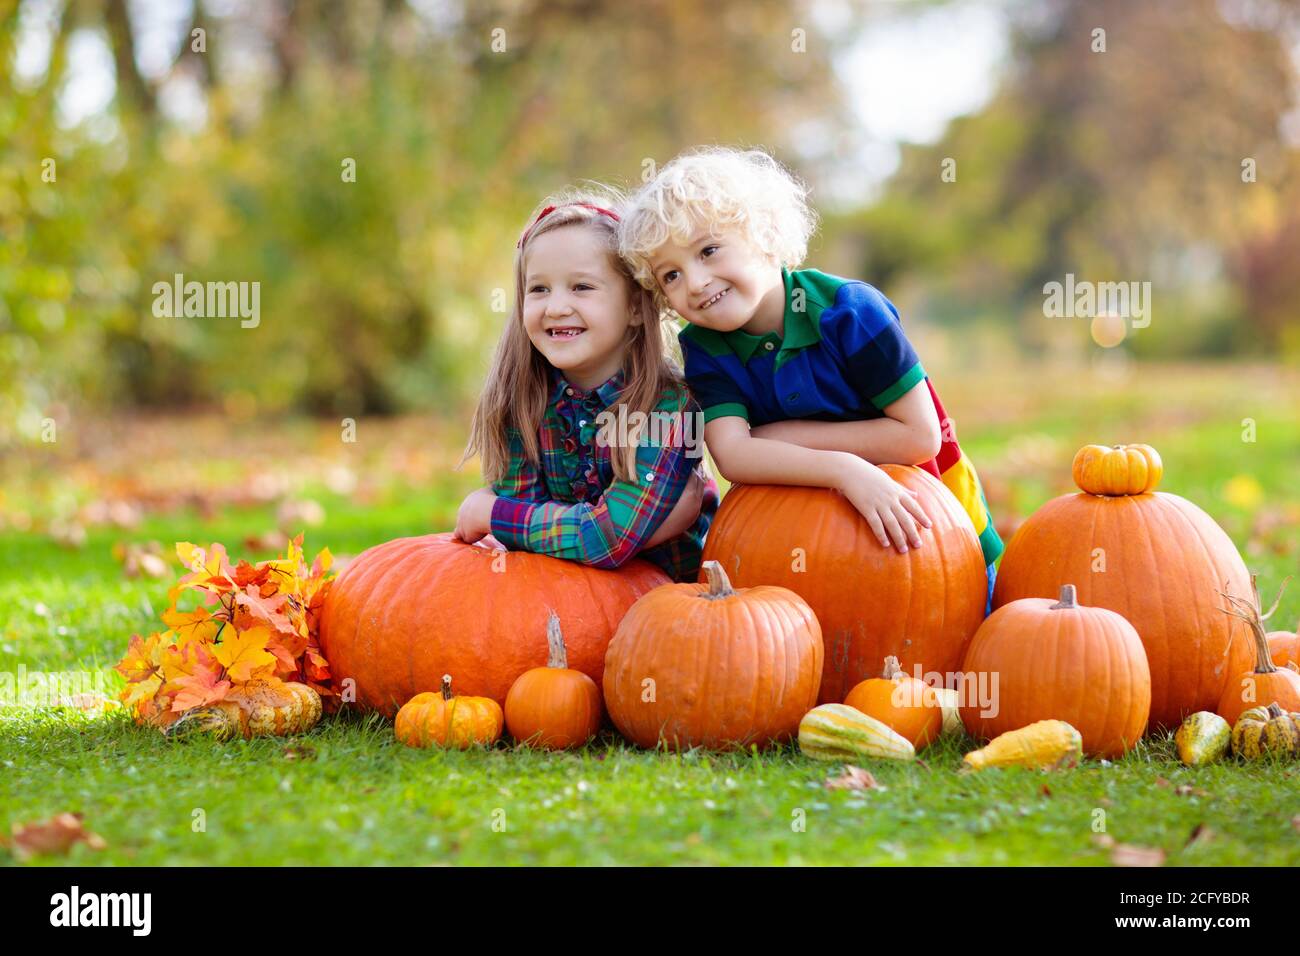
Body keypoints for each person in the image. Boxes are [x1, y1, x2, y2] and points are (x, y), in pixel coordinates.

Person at [618, 147, 1001, 600]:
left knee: (949, 615)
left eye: (709, 250)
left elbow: (919, 437)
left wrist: (783, 435)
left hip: (924, 513)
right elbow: (734, 457)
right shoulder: (704, 348)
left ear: (764, 234)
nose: (696, 282)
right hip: (809, 532)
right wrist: (842, 469)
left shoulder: (850, 312)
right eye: (671, 276)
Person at [454, 189, 717, 582]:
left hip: (667, 610)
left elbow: (608, 539)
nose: (556, 306)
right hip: (556, 597)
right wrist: (617, 531)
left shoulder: (671, 409)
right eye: (539, 289)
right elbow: (527, 541)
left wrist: (493, 515)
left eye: (581, 287)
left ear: (633, 306)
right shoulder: (520, 401)